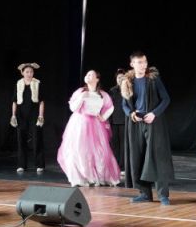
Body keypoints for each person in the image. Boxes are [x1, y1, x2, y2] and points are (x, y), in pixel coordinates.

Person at [121, 51, 175, 204]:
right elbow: (124, 104)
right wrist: (131, 114)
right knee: (138, 157)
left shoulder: (153, 79)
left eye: (144, 62)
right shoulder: (127, 82)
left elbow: (166, 99)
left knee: (157, 157)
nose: (143, 65)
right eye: (139, 62)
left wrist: (154, 114)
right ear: (132, 64)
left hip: (153, 122)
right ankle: (145, 194)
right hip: (136, 123)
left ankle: (163, 195)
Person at [57, 70, 121, 187]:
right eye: (87, 74)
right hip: (80, 123)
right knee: (79, 149)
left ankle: (97, 176)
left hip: (95, 125)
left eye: (91, 75)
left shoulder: (102, 94)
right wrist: (82, 97)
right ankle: (80, 177)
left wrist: (103, 117)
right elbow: (73, 108)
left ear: (97, 79)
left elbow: (110, 107)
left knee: (98, 150)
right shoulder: (80, 92)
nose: (88, 76)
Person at [10, 62, 45, 173]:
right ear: (22, 73)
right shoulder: (18, 84)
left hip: (34, 114)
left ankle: (39, 164)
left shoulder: (37, 83)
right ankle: (22, 165)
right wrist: (13, 115)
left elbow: (41, 101)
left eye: (31, 72)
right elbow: (14, 101)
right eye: (27, 72)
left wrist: (41, 115)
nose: (29, 74)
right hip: (21, 114)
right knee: (21, 139)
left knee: (37, 139)